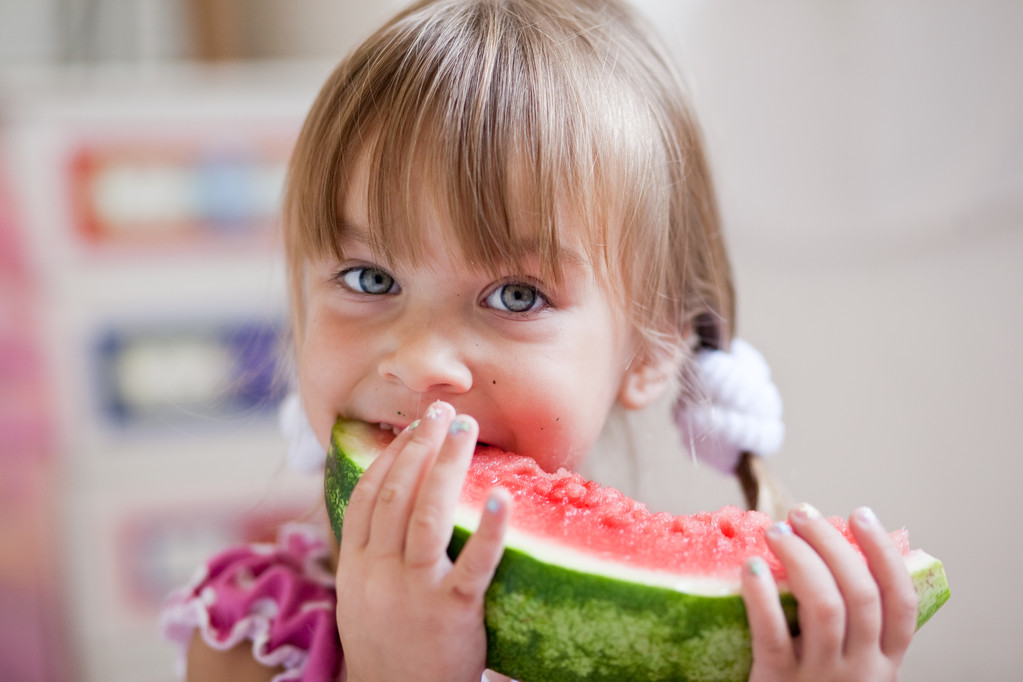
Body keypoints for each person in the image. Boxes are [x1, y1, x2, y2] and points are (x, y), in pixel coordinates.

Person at [161, 0, 921, 680]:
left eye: (515, 296)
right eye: (367, 279)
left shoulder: (707, 648)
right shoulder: (248, 635)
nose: (422, 360)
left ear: (650, 351)